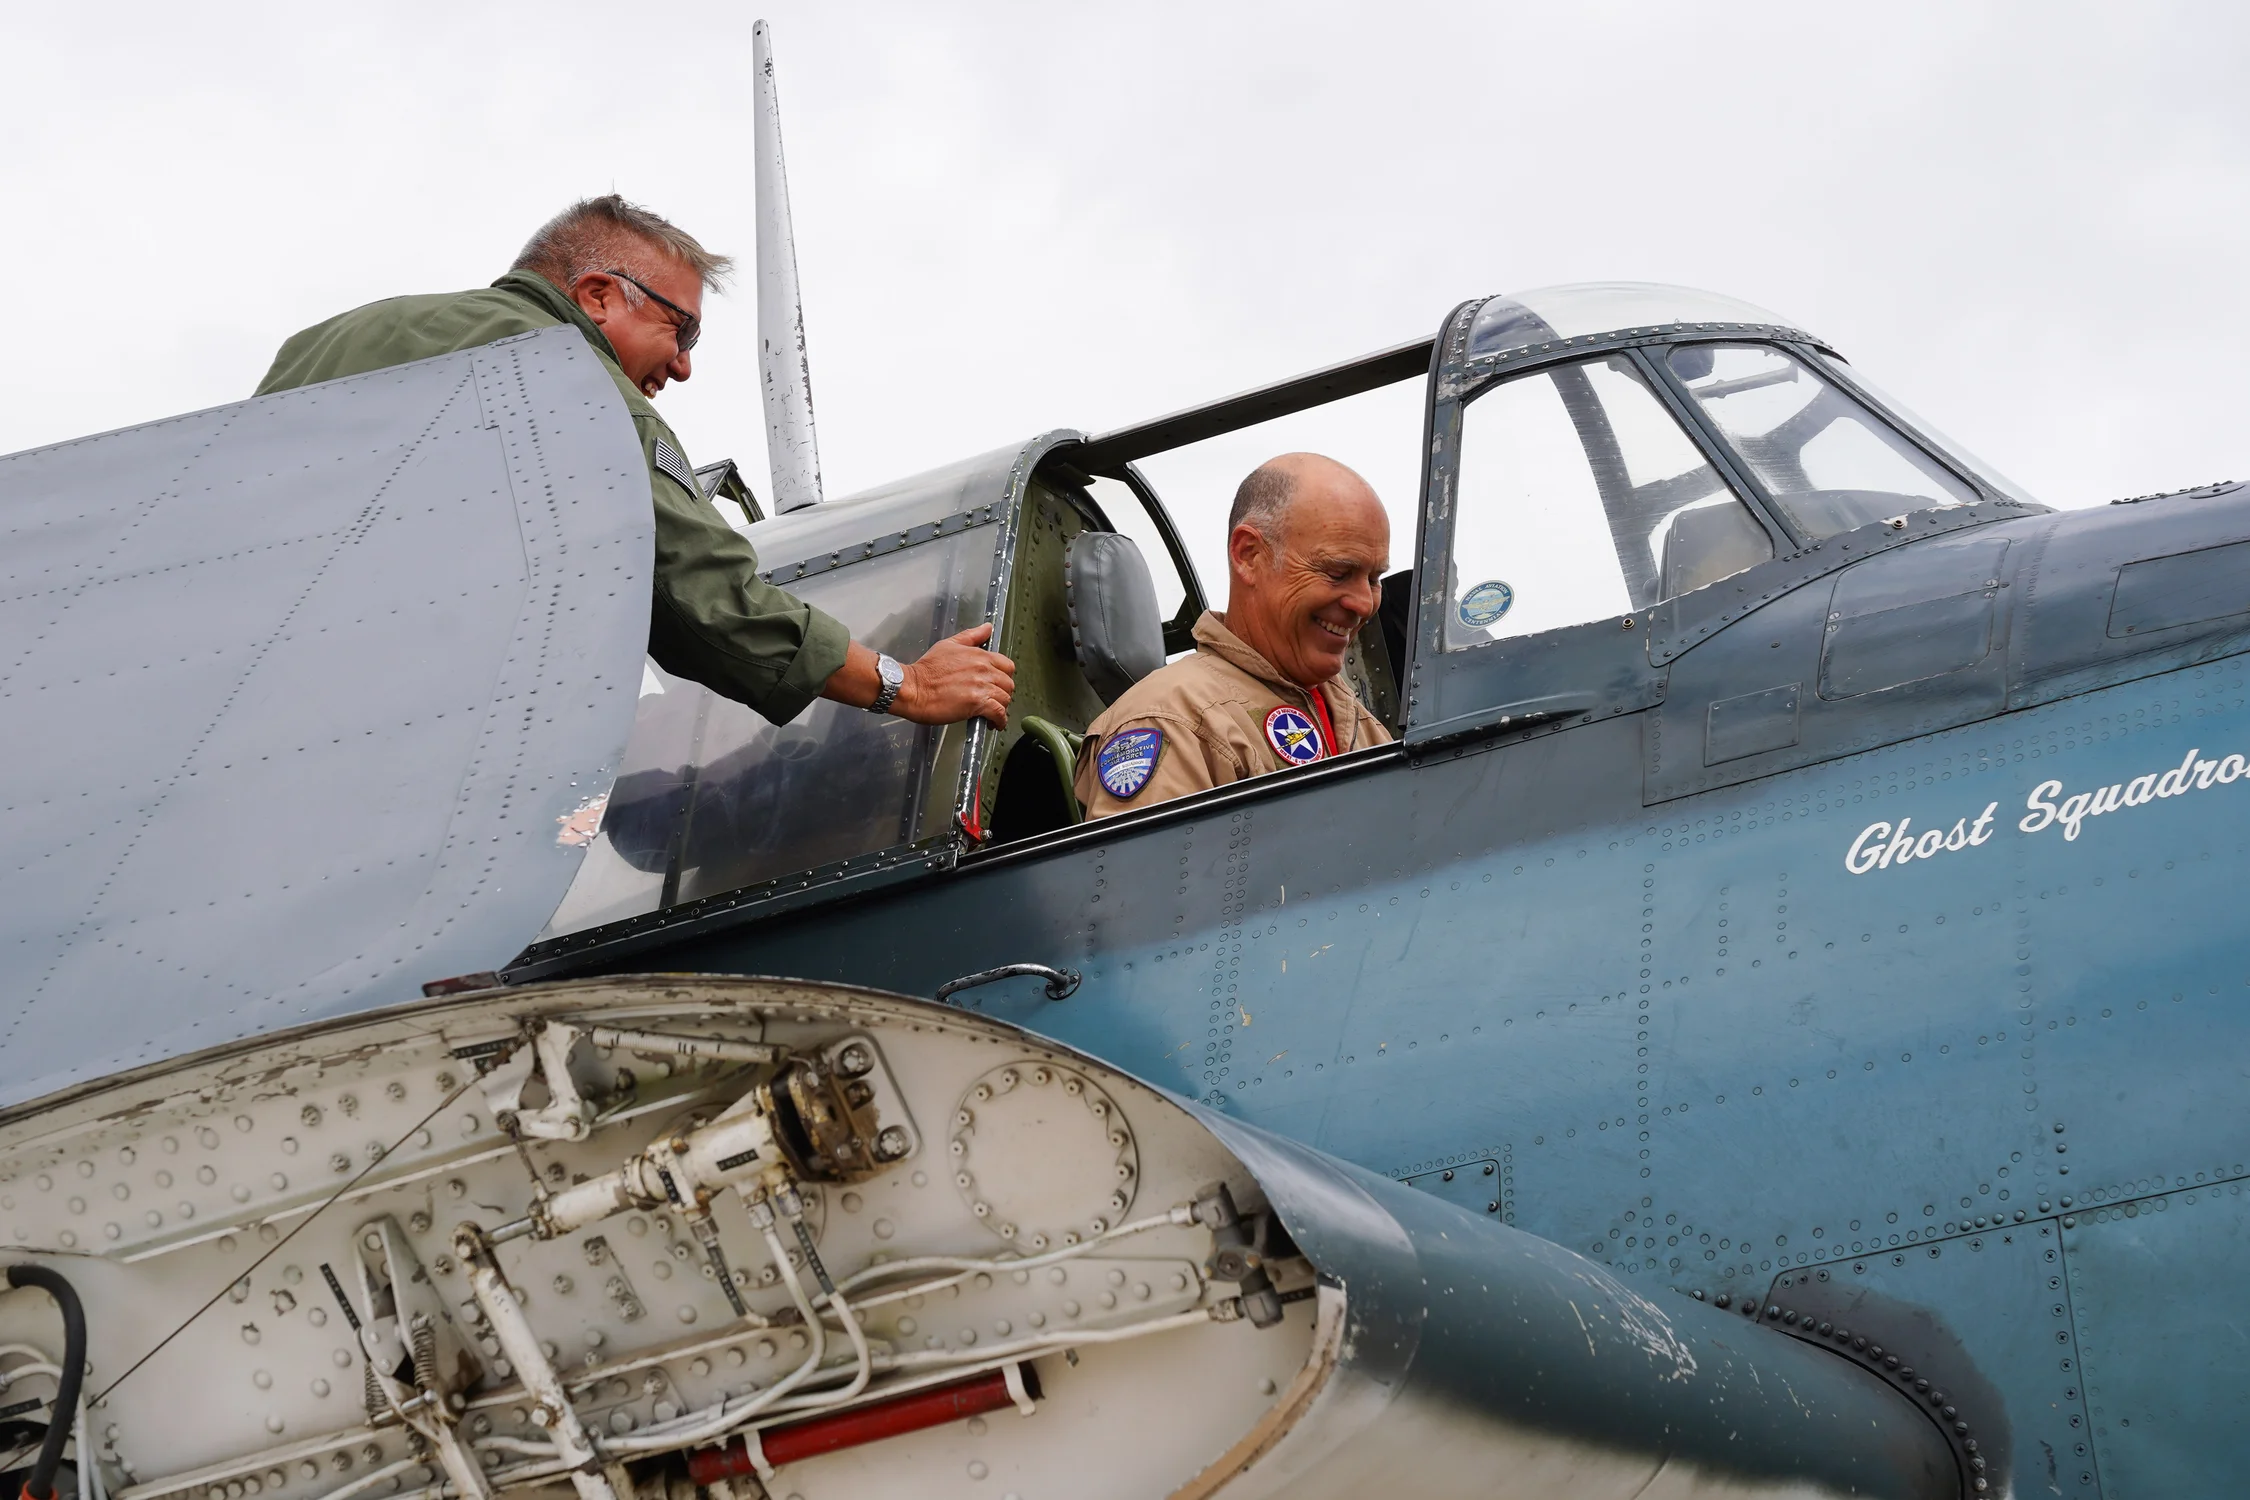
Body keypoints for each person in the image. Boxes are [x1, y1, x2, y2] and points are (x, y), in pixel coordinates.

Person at [256, 195, 1013, 730]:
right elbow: (704, 593)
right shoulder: (574, 381)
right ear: (596, 298)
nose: (682, 368)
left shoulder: (325, 343)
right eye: (679, 330)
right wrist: (905, 685)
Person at [1074, 453, 1393, 817]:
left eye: (1373, 579)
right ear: (1249, 555)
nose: (1364, 604)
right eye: (1338, 572)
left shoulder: (1359, 724)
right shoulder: (1171, 723)